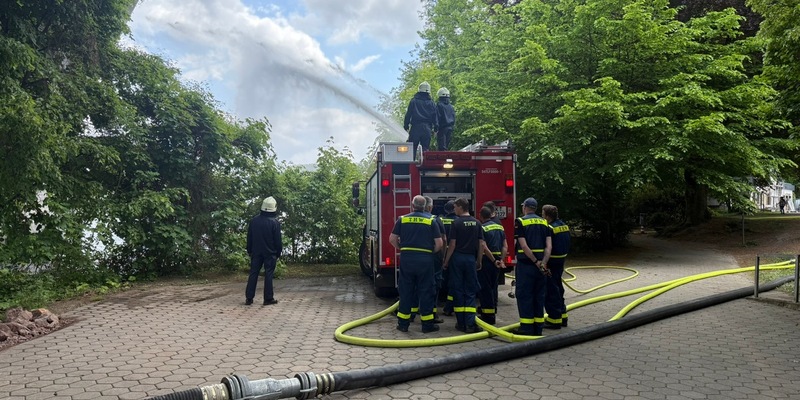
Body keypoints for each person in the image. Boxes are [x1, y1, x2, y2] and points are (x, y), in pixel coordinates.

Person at [389, 195, 443, 333]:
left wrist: (402, 248)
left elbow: (392, 239)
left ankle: (403, 324)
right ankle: (427, 325)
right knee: (426, 291)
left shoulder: (402, 219)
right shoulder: (431, 220)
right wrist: (430, 252)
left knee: (406, 291)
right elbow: (439, 243)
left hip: (407, 259)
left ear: (412, 205)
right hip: (425, 260)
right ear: (425, 207)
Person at [442, 198, 484, 333]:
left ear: (460, 207)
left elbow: (452, 244)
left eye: (455, 207)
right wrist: (479, 260)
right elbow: (481, 244)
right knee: (470, 291)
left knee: (458, 290)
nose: (454, 209)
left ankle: (461, 323)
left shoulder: (456, 223)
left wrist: (446, 261)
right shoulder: (477, 223)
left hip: (457, 259)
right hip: (470, 259)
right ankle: (470, 323)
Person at [513, 197, 552, 336]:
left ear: (525, 207)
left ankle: (526, 328)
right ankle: (538, 328)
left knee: (525, 295)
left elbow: (523, 246)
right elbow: (549, 247)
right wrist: (543, 263)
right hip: (541, 267)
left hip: (526, 266)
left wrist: (535, 261)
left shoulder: (520, 221)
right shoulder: (544, 222)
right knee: (539, 296)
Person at [245, 196, 283, 306]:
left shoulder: (254, 221)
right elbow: (277, 240)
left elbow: (250, 237)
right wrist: (278, 252)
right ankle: (268, 298)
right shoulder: (275, 223)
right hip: (270, 253)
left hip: (256, 252)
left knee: (253, 273)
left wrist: (249, 250)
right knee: (269, 274)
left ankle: (249, 298)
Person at [542, 204, 570, 329]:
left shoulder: (550, 228)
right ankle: (563, 316)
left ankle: (554, 319)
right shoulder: (564, 226)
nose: (542, 217)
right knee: (558, 288)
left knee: (551, 290)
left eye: (543, 214)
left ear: (548, 216)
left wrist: (543, 262)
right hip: (561, 260)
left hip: (552, 261)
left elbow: (548, 246)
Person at [477, 206, 507, 325]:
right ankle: (493, 310)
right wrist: (501, 260)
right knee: (494, 287)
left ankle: (488, 316)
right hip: (498, 260)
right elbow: (505, 246)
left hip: (488, 261)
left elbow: (483, 246)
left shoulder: (482, 227)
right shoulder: (500, 227)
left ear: (481, 216)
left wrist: (491, 260)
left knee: (486, 288)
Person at [424, 196, 446, 324]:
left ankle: (412, 313)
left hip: (418, 258)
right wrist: (442, 256)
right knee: (434, 285)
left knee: (418, 284)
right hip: (434, 257)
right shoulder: (436, 220)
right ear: (430, 207)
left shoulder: (407, 219)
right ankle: (432, 314)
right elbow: (443, 240)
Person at [403, 82, 438, 159]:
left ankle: (411, 164)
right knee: (425, 151)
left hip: (415, 128)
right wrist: (436, 128)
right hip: (427, 129)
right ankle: (425, 165)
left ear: (419, 90)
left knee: (412, 149)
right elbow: (435, 117)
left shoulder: (413, 101)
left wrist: (406, 126)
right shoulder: (432, 103)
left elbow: (408, 114)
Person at [440, 200, 457, 316]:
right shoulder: (459, 221)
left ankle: (442, 298)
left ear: (446, 210)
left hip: (444, 253)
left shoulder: (441, 221)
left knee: (443, 279)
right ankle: (450, 305)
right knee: (454, 281)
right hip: (457, 255)